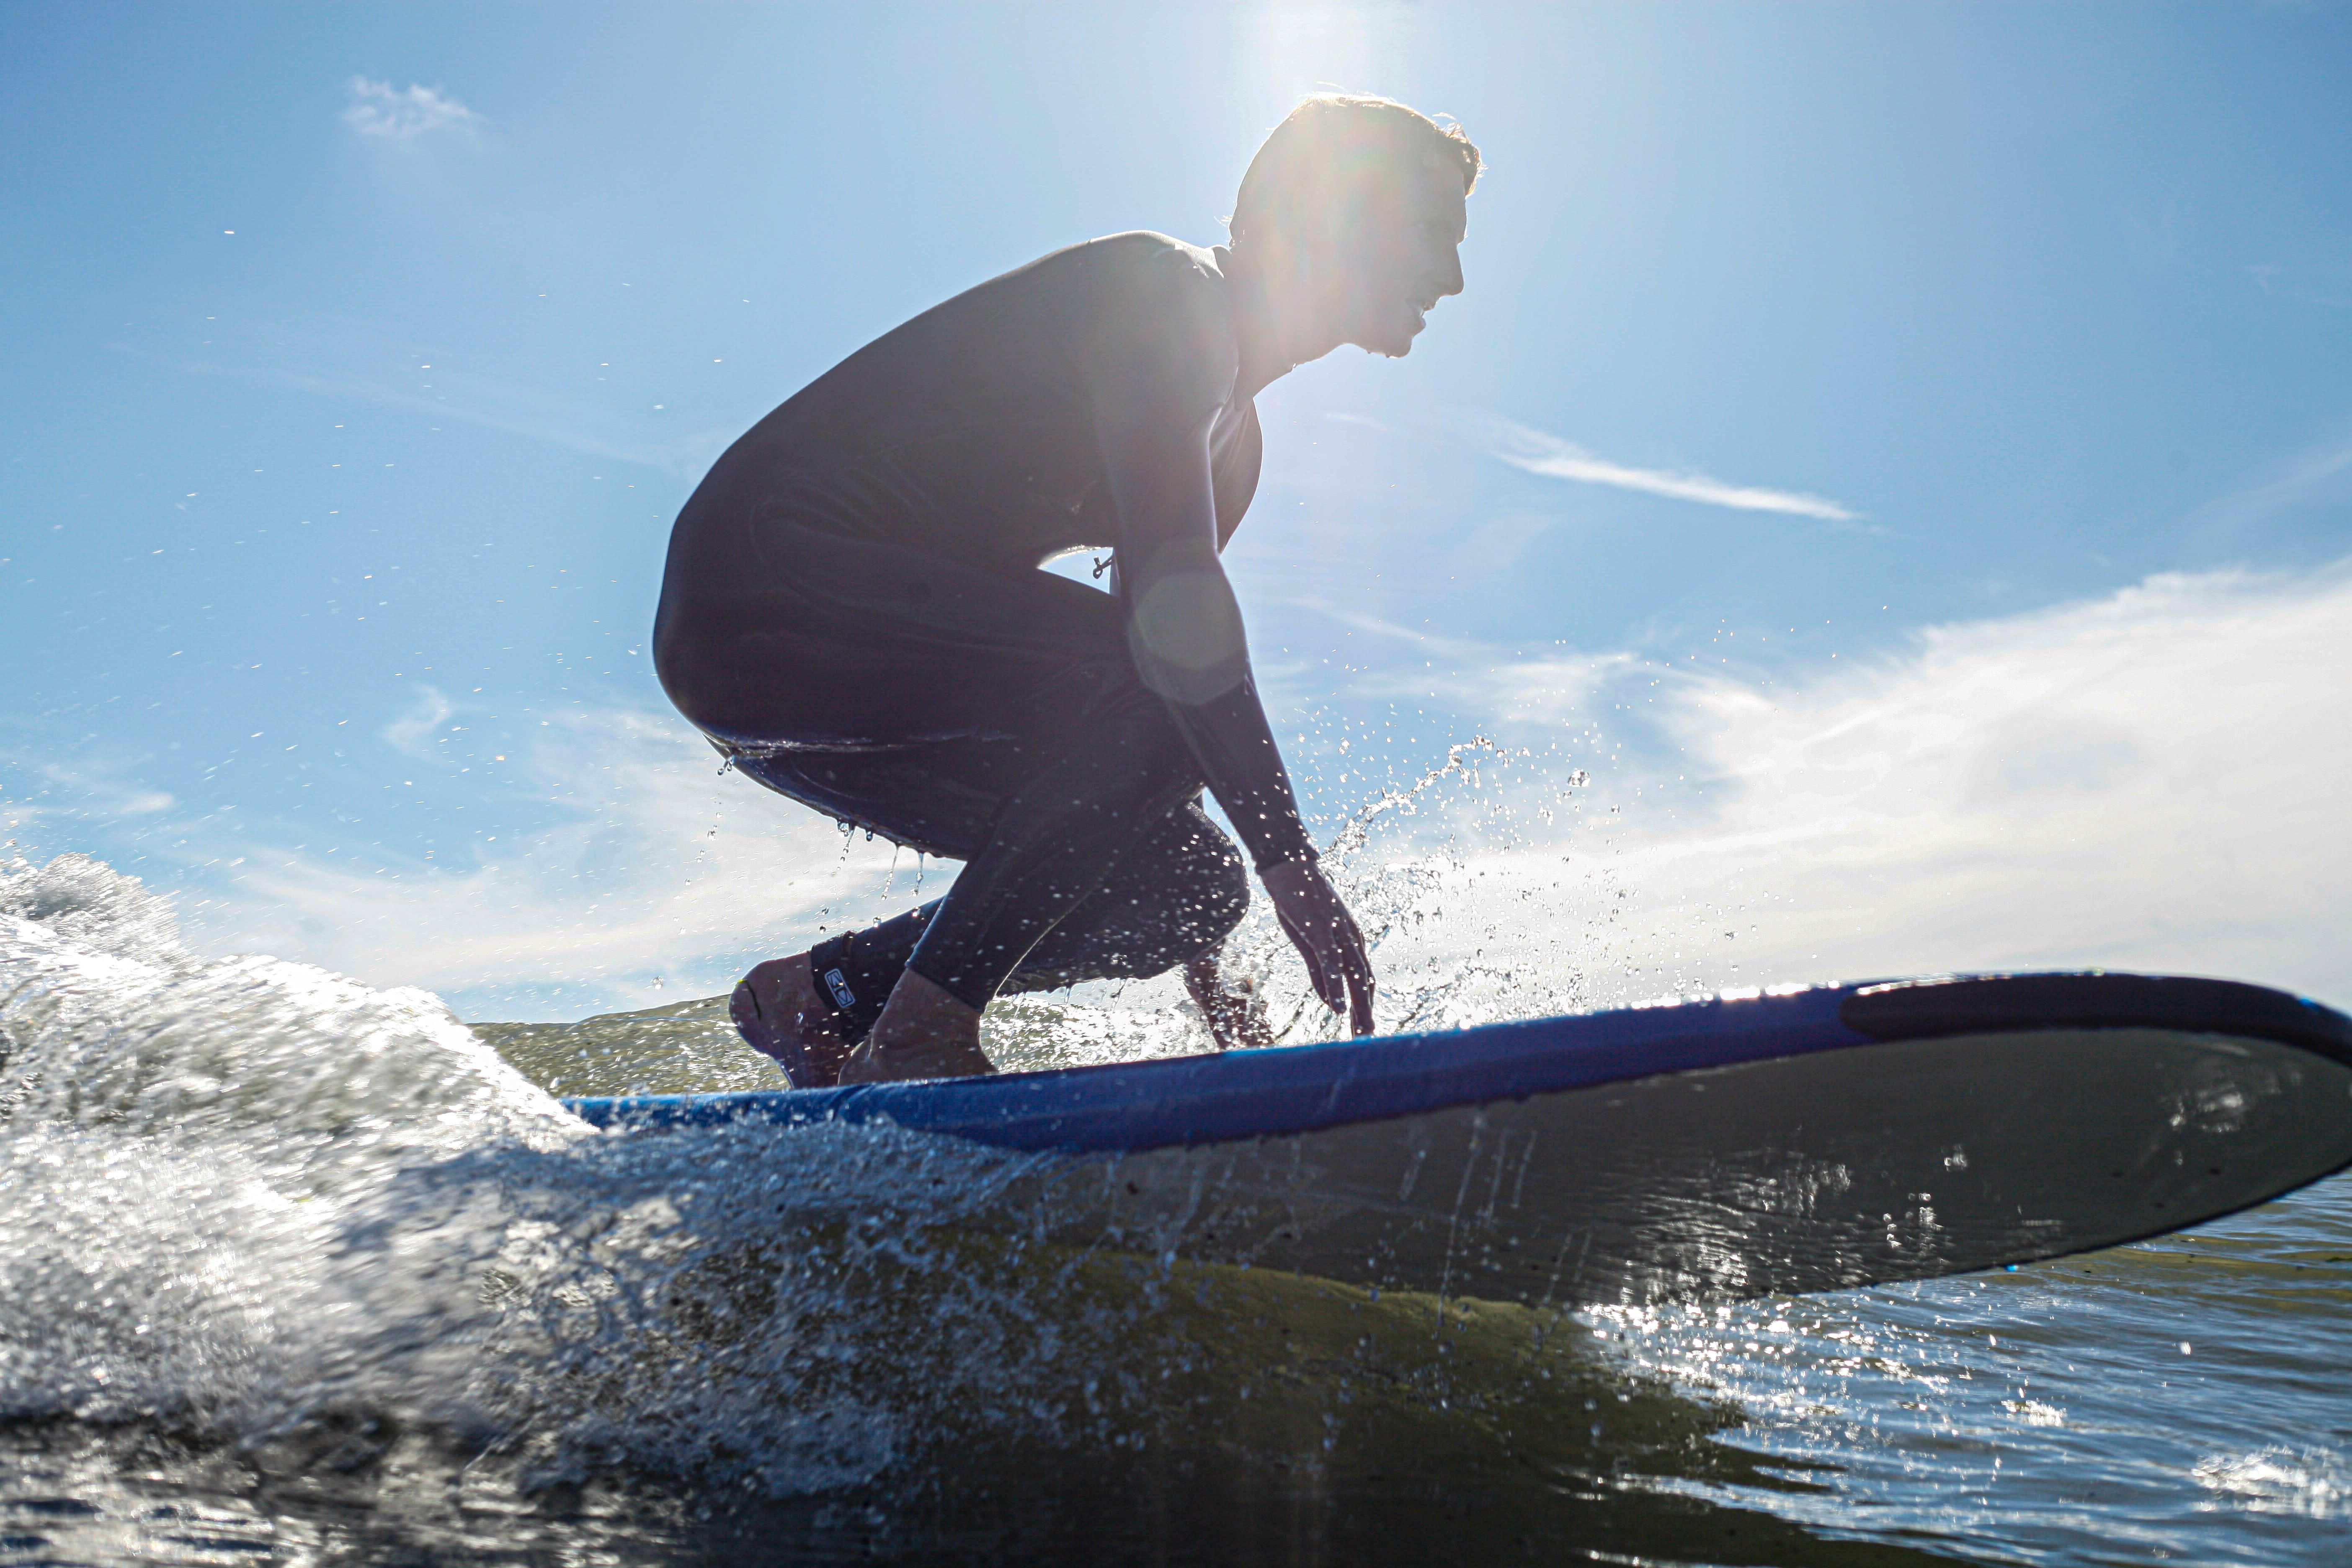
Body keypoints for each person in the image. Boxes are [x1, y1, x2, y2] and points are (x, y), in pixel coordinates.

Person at [652, 94, 1478, 1086]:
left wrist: (1202, 958)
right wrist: (1292, 862)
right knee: (1164, 690)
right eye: (1433, 234)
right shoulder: (1168, 294)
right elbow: (1172, 641)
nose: (1454, 278)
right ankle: (922, 1035)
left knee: (1191, 884)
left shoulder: (1235, 451)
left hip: (831, 681)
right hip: (761, 588)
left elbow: (1149, 714)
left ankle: (826, 997)